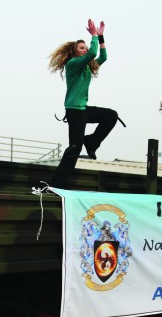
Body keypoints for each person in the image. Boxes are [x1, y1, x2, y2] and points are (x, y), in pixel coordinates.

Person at [49, 19, 119, 189]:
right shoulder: (73, 64)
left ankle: (92, 142)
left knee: (111, 116)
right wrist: (94, 35)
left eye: (86, 48)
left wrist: (100, 36)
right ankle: (58, 184)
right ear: (74, 52)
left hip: (83, 109)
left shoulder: (88, 67)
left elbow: (103, 56)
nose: (86, 50)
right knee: (75, 147)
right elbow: (94, 53)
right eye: (82, 48)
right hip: (74, 110)